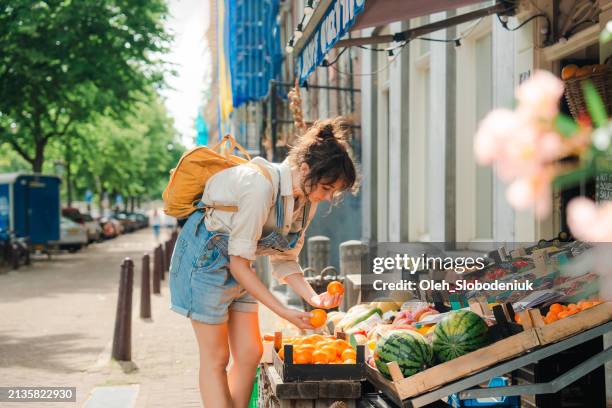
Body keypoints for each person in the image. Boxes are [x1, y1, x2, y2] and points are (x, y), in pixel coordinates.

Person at [168, 117, 358, 408]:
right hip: (204, 261)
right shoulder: (259, 186)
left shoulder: (306, 200)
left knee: (250, 353)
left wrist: (313, 297)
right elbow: (238, 264)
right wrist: (282, 309)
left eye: (333, 192)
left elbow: (284, 259)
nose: (327, 196)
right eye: (326, 187)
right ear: (305, 169)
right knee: (216, 356)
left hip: (240, 263)